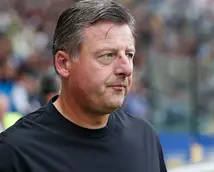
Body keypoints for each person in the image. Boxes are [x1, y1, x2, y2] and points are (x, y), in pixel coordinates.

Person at [0, 0, 167, 171]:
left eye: (129, 55)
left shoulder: (145, 138)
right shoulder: (15, 153)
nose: (126, 68)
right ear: (64, 63)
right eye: (108, 55)